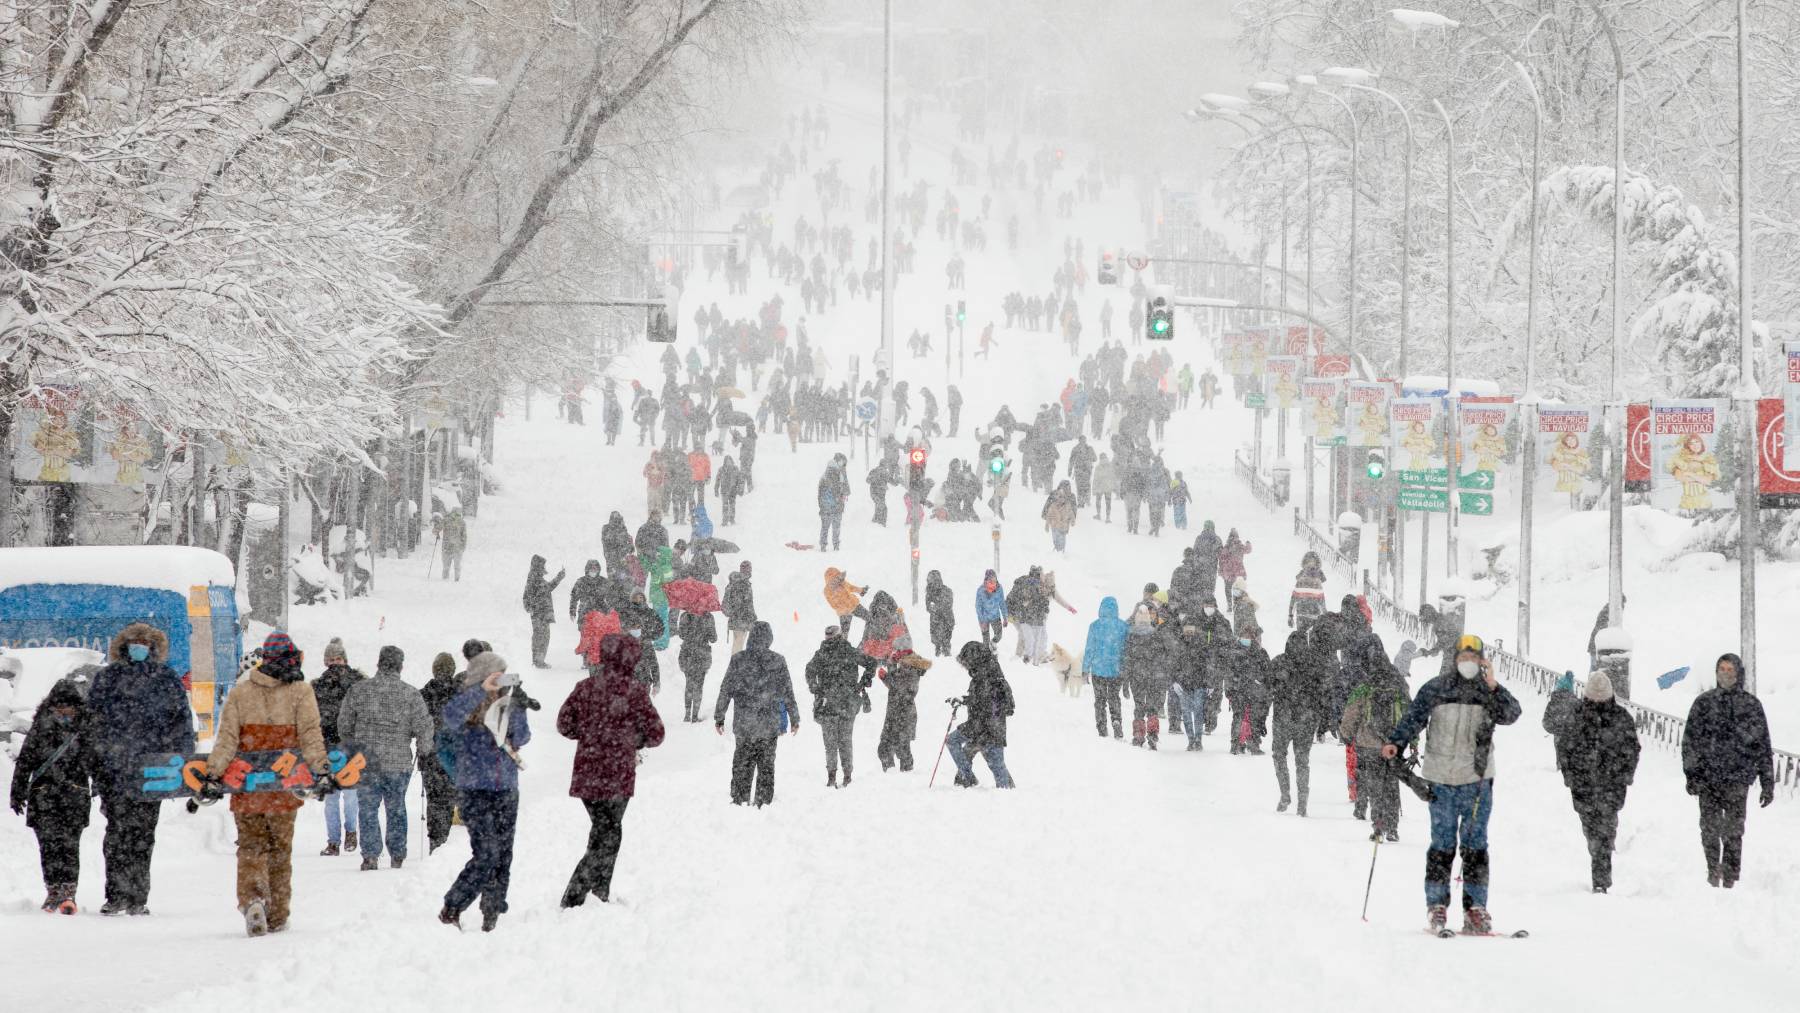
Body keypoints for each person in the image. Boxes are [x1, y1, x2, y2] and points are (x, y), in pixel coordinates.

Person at [1382, 634, 1522, 935]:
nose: (1468, 664)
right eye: (1463, 658)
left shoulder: (1489, 692)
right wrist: (1396, 742)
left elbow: (1512, 714)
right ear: (1455, 659)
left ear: (1481, 661)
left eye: (1474, 659)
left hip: (1478, 779)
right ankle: (1437, 905)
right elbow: (1413, 718)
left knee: (1476, 847)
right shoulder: (1436, 688)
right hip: (1442, 778)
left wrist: (1495, 686)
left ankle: (1475, 908)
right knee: (1442, 845)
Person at [201, 632, 332, 936]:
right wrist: (321, 770)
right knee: (280, 850)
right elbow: (311, 735)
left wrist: (212, 773)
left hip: (247, 785)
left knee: (250, 846)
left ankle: (253, 898)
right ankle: (276, 913)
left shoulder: (241, 693)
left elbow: (228, 739)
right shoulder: (301, 692)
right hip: (284, 786)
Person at [86, 622, 192, 916]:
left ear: (154, 646)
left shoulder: (166, 680)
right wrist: (97, 760)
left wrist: (180, 760)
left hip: (153, 771)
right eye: (135, 641)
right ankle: (115, 894)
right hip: (114, 770)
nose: (140, 646)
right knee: (117, 832)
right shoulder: (107, 679)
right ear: (124, 644)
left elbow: (181, 724)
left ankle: (137, 896)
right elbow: (92, 723)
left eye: (145, 641)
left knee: (144, 834)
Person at [558, 635, 665, 907]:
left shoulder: (585, 688)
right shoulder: (634, 692)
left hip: (588, 772)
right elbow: (656, 734)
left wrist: (589, 734)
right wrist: (631, 739)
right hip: (617, 775)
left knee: (604, 832)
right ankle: (576, 896)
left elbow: (564, 724)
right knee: (609, 835)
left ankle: (595, 894)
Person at [439, 651, 531, 932]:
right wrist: (480, 691)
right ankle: (453, 905)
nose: (501, 679)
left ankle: (492, 909)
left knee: (503, 853)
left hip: (505, 787)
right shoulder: (465, 702)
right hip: (474, 789)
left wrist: (519, 709)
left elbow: (523, 737)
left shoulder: (508, 702)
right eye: (496, 673)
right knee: (487, 852)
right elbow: (450, 718)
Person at [1679, 653, 1775, 888]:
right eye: (1721, 669)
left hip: (1737, 779)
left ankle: (1730, 875)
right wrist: (1692, 774)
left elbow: (1762, 744)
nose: (1725, 674)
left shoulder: (1751, 706)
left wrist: (1767, 781)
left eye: (1730, 670)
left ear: (1738, 673)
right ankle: (1713, 869)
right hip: (1708, 778)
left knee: (1733, 830)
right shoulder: (1703, 703)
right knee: (1709, 828)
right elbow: (1690, 741)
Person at [1543, 671, 1640, 893]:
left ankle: (1601, 878)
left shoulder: (1620, 718)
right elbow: (1565, 748)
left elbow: (1632, 750)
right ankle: (1599, 861)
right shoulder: (1576, 717)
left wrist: (1625, 776)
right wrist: (1571, 777)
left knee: (1605, 830)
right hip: (1583, 787)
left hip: (1611, 787)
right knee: (1592, 829)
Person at [338, 645, 433, 871]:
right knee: (396, 807)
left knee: (368, 808)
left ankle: (370, 854)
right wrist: (423, 749)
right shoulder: (410, 694)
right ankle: (397, 853)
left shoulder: (359, 690)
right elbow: (424, 726)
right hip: (398, 761)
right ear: (400, 666)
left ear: (379, 663)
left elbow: (344, 724)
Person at [9, 678, 93, 913]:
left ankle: (67, 891)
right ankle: (54, 889)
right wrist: (17, 792)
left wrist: (100, 785)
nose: (64, 710)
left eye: (69, 706)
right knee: (48, 846)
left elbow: (95, 760)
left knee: (69, 845)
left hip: (71, 796)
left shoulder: (84, 729)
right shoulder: (42, 727)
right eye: (60, 705)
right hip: (46, 796)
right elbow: (25, 762)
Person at [713, 622, 801, 806]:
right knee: (766, 766)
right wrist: (794, 717)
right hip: (769, 724)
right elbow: (787, 692)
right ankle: (763, 802)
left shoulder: (738, 659)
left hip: (745, 723)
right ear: (769, 639)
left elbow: (726, 689)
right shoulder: (778, 661)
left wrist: (719, 716)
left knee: (742, 764)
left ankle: (739, 799)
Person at [1339, 635, 1413, 841]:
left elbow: (1352, 713)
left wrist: (1347, 733)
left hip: (1369, 744)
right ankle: (1393, 827)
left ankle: (1378, 826)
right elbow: (1411, 712)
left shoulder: (1366, 686)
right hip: (1394, 744)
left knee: (1375, 785)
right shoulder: (1398, 684)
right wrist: (1412, 741)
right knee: (1391, 784)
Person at [311, 638, 365, 856]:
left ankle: (350, 832)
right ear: (326, 661)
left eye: (338, 658)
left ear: (345, 659)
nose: (335, 663)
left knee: (350, 795)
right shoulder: (317, 686)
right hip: (328, 746)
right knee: (331, 797)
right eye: (331, 659)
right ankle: (333, 840)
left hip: (349, 745)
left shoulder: (358, 683)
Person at [1267, 631, 1330, 815]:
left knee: (1279, 756)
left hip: (1283, 719)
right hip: (1306, 720)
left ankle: (1285, 794)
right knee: (1302, 762)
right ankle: (1302, 801)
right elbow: (1323, 694)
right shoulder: (1314, 664)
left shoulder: (1279, 662)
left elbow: (1267, 689)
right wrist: (1322, 722)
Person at [805, 626, 876, 787]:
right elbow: (872, 662)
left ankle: (832, 777)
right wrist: (863, 682)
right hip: (847, 703)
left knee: (830, 744)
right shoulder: (849, 651)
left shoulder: (821, 654)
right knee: (845, 741)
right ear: (840, 636)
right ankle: (847, 776)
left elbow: (809, 670)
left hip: (828, 704)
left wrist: (814, 687)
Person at [947, 642, 1017, 788]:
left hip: (987, 728)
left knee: (996, 765)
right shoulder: (987, 672)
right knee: (995, 764)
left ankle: (968, 778)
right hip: (988, 727)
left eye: (965, 662)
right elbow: (981, 699)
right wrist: (964, 700)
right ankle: (966, 778)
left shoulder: (987, 677)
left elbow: (986, 705)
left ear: (974, 659)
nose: (964, 666)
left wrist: (976, 728)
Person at [419, 651, 463, 854]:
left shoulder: (423, 695)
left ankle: (436, 841)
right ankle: (449, 845)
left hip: (430, 757)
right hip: (455, 757)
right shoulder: (461, 695)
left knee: (434, 801)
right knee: (451, 798)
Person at [1082, 597, 1128, 739]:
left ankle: (1102, 727)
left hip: (1098, 669)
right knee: (1114, 697)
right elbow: (1127, 650)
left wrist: (1085, 669)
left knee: (1100, 700)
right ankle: (1116, 720)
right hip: (1116, 669)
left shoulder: (1095, 626)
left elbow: (1089, 649)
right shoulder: (1123, 626)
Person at [523, 555, 565, 669]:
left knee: (543, 636)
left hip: (543, 613)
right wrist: (531, 608)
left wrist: (559, 577)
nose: (544, 567)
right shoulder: (533, 578)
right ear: (538, 565)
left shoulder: (537, 578)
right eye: (542, 565)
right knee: (540, 637)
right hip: (539, 613)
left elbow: (547, 588)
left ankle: (539, 660)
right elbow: (527, 596)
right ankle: (538, 661)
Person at [676, 609, 718, 723]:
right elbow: (713, 638)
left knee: (689, 684)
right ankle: (694, 716)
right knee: (699, 685)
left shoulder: (685, 615)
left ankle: (687, 714)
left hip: (687, 653)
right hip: (702, 655)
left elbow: (681, 634)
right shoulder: (708, 616)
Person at [817, 453, 851, 551]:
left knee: (826, 527)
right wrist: (841, 496)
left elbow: (820, 493)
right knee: (834, 527)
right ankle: (833, 545)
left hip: (828, 506)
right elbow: (839, 490)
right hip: (833, 505)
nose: (843, 465)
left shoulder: (831, 472)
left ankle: (825, 545)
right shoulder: (835, 473)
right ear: (838, 461)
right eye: (843, 462)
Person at [723, 560, 757, 655]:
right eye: (749, 569)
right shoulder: (742, 583)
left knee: (738, 643)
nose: (750, 571)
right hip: (741, 619)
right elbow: (745, 604)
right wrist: (750, 616)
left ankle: (736, 663)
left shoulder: (737, 582)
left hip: (737, 618)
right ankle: (735, 664)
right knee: (738, 644)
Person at [822, 566, 870, 634]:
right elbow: (833, 605)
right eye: (835, 578)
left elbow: (851, 587)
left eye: (838, 577)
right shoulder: (827, 591)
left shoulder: (842, 582)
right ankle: (842, 644)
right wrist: (844, 608)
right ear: (830, 580)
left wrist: (861, 590)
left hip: (854, 606)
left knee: (870, 618)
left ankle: (875, 635)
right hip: (844, 612)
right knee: (844, 633)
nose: (838, 580)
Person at [1289, 552, 1327, 633]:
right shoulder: (1317, 580)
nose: (1311, 565)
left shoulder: (1301, 579)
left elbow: (1293, 599)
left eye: (1312, 562)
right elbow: (1322, 602)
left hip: (1303, 615)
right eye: (1309, 562)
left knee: (1302, 640)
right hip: (1311, 615)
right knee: (1312, 640)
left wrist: (1290, 615)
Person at [568, 560, 609, 625]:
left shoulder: (604, 582)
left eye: (595, 569)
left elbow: (611, 597)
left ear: (598, 570)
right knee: (586, 633)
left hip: (601, 614)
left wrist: (611, 612)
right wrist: (572, 612)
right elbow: (574, 598)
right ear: (587, 570)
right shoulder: (581, 582)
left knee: (601, 634)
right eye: (591, 569)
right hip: (584, 614)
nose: (593, 571)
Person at [925, 570, 955, 656]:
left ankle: (945, 654)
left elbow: (948, 605)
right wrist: (931, 608)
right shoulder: (929, 593)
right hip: (935, 620)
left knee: (945, 640)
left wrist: (936, 607)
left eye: (931, 579)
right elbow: (927, 606)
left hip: (946, 619)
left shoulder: (946, 590)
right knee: (936, 640)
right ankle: (939, 651)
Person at [1042, 480, 1078, 552]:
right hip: (1055, 522)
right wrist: (1046, 517)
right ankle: (1058, 547)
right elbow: (1049, 506)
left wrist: (1072, 519)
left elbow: (1072, 510)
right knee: (1056, 536)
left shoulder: (1069, 497)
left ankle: (1060, 548)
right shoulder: (1055, 495)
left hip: (1063, 522)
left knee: (1062, 535)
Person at [974, 569, 1007, 647]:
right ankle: (987, 654)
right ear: (986, 579)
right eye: (990, 578)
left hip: (995, 616)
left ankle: (992, 643)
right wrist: (982, 621)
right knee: (985, 640)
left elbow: (1002, 603)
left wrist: (1005, 617)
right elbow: (978, 607)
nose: (993, 580)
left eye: (994, 578)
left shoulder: (999, 588)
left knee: (999, 636)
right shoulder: (981, 590)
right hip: (984, 618)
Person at [435, 508, 468, 580]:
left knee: (452, 567)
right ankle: (449, 581)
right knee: (450, 567)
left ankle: (453, 581)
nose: (456, 517)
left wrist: (463, 546)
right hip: (450, 547)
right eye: (455, 514)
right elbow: (436, 530)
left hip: (453, 548)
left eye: (458, 515)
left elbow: (464, 536)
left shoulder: (460, 522)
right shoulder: (447, 521)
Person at [601, 512, 633, 578]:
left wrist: (630, 547)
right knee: (613, 581)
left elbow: (628, 541)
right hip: (612, 560)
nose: (617, 522)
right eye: (616, 520)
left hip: (623, 560)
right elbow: (608, 543)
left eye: (619, 520)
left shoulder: (623, 528)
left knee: (625, 580)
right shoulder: (606, 528)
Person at [1091, 452, 1117, 521]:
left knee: (1098, 501)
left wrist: (1094, 489)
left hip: (1100, 486)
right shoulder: (1110, 466)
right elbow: (1113, 477)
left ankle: (1098, 514)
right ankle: (1108, 517)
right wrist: (1114, 487)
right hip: (1108, 486)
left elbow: (1095, 479)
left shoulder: (1098, 467)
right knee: (1108, 503)